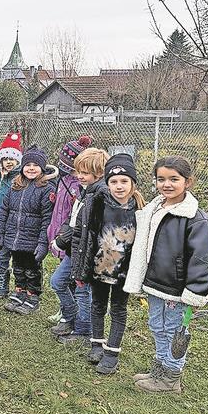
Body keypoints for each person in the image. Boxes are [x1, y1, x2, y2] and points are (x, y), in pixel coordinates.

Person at [125, 156, 208, 393]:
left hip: (177, 288)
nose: (166, 184)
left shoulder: (194, 218)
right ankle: (160, 369)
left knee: (174, 331)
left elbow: (203, 258)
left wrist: (195, 290)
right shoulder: (155, 208)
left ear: (188, 182)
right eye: (161, 179)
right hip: (156, 283)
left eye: (174, 179)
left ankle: (171, 377)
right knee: (157, 325)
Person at [71, 153, 145, 374]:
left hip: (124, 272)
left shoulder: (141, 210)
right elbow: (83, 237)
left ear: (133, 182)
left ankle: (112, 352)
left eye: (124, 181)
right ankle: (97, 344)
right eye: (113, 181)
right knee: (98, 305)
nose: (119, 186)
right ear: (107, 182)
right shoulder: (96, 204)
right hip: (99, 268)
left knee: (118, 309)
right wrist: (80, 268)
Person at [53, 147, 109, 344]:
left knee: (83, 291)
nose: (79, 176)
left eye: (84, 173)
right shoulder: (84, 191)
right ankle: (70, 316)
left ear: (99, 173)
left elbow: (93, 229)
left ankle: (84, 331)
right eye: (78, 171)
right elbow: (74, 219)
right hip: (74, 249)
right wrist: (63, 236)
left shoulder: (100, 195)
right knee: (57, 281)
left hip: (87, 253)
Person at [0, 145, 56, 315]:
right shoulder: (15, 186)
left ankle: (32, 296)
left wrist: (43, 243)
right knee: (18, 268)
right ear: (22, 167)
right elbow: (4, 211)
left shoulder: (46, 189)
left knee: (32, 270)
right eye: (28, 165)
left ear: (42, 168)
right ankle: (19, 291)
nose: (31, 168)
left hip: (32, 240)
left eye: (35, 165)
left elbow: (47, 220)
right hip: (14, 237)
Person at [45, 136, 91, 324]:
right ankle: (65, 308)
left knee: (70, 277)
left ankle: (71, 311)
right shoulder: (61, 180)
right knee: (63, 274)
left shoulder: (80, 186)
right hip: (59, 231)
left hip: (71, 236)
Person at [0, 133, 23, 299]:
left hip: (17, 227)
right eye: (5, 159)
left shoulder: (21, 179)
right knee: (2, 256)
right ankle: (2, 284)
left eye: (12, 159)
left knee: (19, 259)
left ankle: (20, 287)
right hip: (1, 226)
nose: (9, 162)